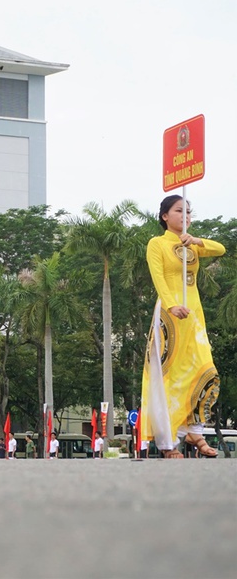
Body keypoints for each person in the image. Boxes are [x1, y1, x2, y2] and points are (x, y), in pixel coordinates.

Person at [141, 195, 226, 459]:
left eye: (188, 212)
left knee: (205, 369)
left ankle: (193, 429)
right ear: (165, 216)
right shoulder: (157, 243)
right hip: (170, 315)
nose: (186, 216)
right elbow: (158, 278)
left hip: (194, 316)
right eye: (179, 211)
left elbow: (220, 248)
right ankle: (169, 444)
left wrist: (197, 240)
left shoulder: (192, 244)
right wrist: (171, 305)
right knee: (170, 376)